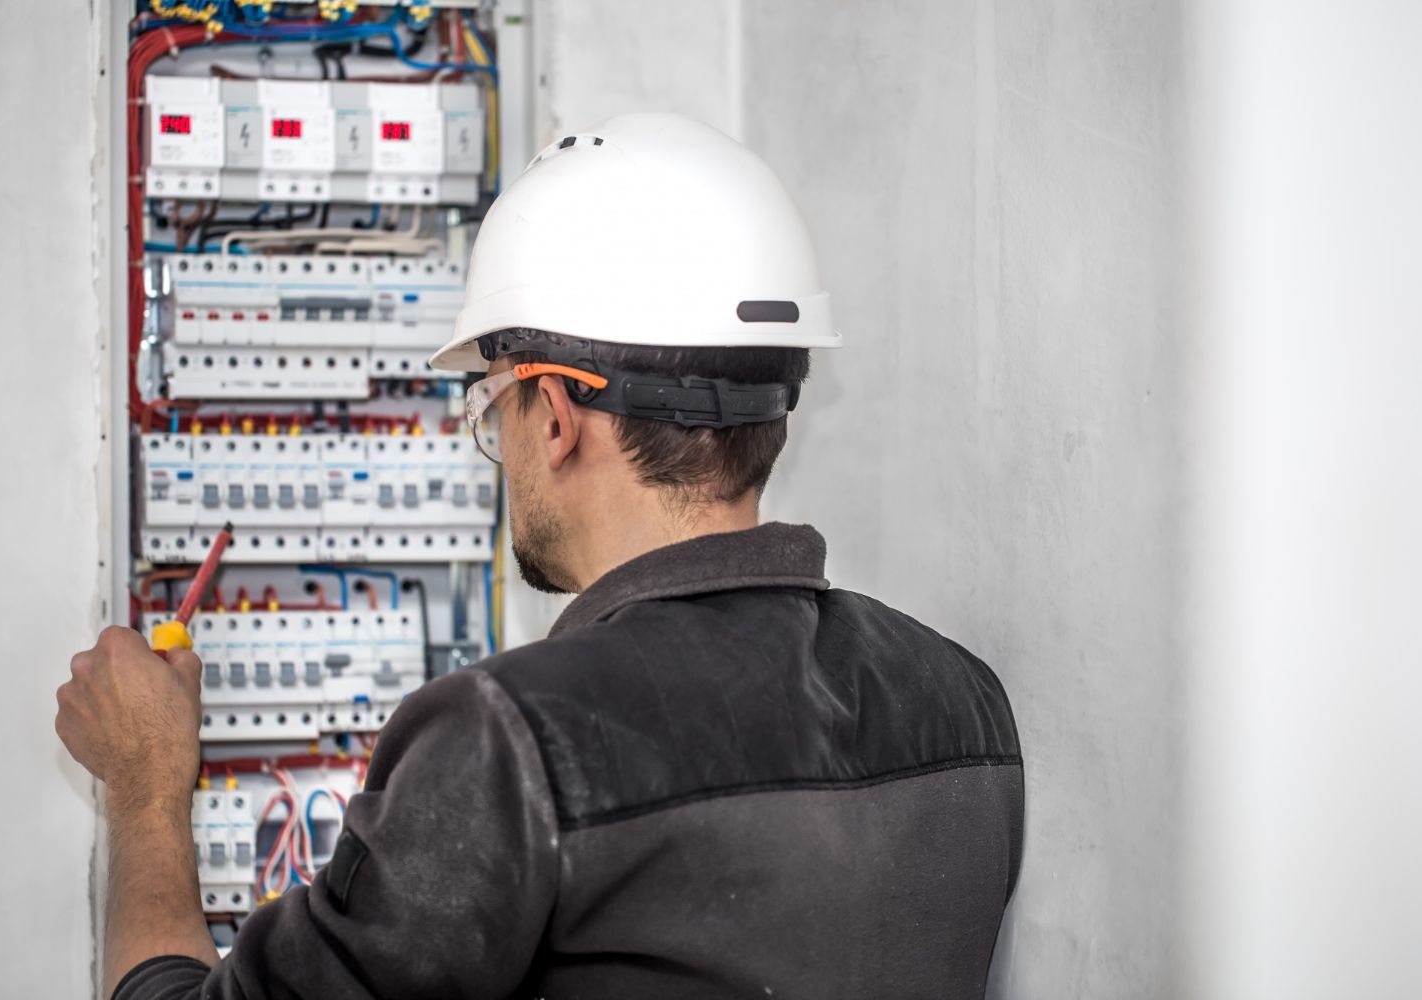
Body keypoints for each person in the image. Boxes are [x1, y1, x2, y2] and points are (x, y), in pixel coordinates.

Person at [57, 112, 1024, 1000]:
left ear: (555, 414)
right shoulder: (962, 703)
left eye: (492, 405)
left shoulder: (513, 740)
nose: (499, 444)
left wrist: (146, 788)